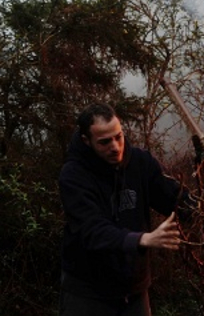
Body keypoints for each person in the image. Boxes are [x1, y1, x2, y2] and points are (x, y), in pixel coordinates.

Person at [58, 103, 185, 316]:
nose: (115, 146)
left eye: (118, 137)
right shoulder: (74, 175)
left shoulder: (140, 162)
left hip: (134, 289)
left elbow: (172, 198)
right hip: (88, 292)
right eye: (105, 142)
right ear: (86, 141)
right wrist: (140, 239)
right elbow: (92, 231)